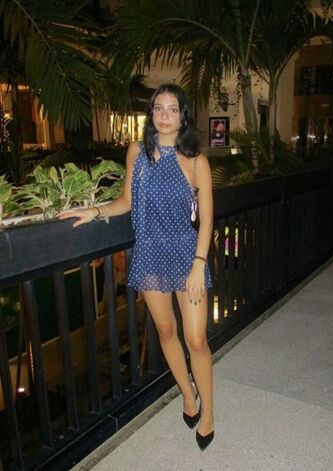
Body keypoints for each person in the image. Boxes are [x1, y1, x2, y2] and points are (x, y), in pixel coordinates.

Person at [58, 83, 215, 450]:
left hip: (187, 255)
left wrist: (198, 264)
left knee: (196, 339)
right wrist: (95, 210)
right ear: (151, 114)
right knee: (165, 330)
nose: (164, 115)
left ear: (183, 117)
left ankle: (208, 412)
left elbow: (207, 220)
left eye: (172, 109)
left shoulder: (196, 161)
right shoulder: (136, 152)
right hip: (150, 253)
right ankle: (188, 393)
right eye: (158, 108)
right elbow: (127, 201)